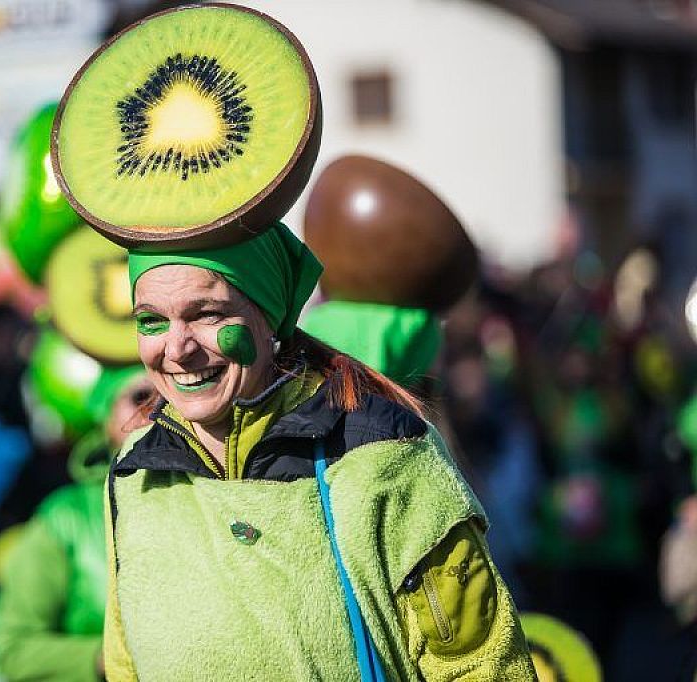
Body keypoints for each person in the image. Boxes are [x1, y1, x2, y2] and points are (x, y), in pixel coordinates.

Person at [103, 222, 536, 680]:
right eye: (151, 320)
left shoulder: (386, 455)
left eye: (207, 314)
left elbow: (480, 665)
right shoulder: (132, 474)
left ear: (269, 314)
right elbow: (124, 665)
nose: (177, 348)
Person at [0, 366, 153, 681]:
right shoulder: (64, 517)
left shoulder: (215, 493)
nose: (158, 410)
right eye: (140, 397)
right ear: (105, 417)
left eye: (171, 397)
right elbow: (15, 652)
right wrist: (112, 657)